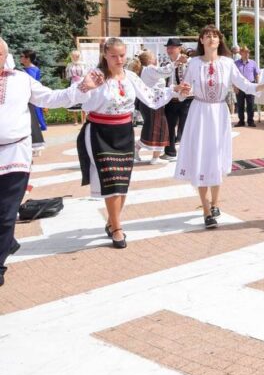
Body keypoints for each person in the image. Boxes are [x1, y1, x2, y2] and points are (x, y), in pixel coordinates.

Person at [0, 37, 98, 283]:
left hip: (15, 154)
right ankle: (8, 241)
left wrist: (82, 87)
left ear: (5, 56)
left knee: (6, 212)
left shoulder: (21, 80)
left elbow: (52, 98)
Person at [79, 38, 187, 247]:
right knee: (110, 179)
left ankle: (112, 221)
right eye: (114, 56)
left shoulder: (130, 76)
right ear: (105, 55)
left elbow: (151, 97)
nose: (119, 60)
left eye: (122, 55)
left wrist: (174, 90)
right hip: (101, 132)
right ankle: (117, 228)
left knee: (122, 180)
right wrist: (88, 87)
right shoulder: (97, 76)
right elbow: (86, 103)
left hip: (124, 132)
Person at [175, 26, 264, 227]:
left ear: (220, 41)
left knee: (216, 156)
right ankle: (205, 210)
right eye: (207, 36)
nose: (211, 39)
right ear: (201, 40)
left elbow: (245, 85)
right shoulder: (193, 63)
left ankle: (216, 202)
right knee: (201, 156)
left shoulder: (228, 63)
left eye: (215, 36)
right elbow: (183, 90)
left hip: (219, 113)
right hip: (199, 112)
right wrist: (182, 91)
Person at [136, 51, 171, 164]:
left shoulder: (144, 70)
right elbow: (165, 72)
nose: (156, 58)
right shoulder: (150, 69)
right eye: (153, 56)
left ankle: (136, 149)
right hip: (154, 102)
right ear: (149, 59)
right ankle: (155, 158)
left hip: (149, 102)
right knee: (160, 128)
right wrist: (176, 63)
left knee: (150, 127)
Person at [160, 38, 192, 161]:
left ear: (179, 48)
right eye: (168, 48)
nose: (169, 50)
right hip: (170, 99)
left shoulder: (188, 62)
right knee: (169, 126)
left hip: (186, 99)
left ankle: (186, 154)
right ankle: (170, 152)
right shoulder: (164, 64)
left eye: (172, 47)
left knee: (185, 127)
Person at [20, 50, 46, 151]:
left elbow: (34, 84)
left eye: (22, 56)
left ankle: (37, 143)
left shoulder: (34, 70)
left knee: (34, 118)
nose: (20, 58)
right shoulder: (21, 70)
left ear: (28, 58)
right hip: (25, 97)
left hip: (32, 98)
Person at [234, 45, 258, 127]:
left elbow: (256, 75)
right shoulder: (236, 64)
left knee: (250, 104)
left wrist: (257, 86)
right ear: (241, 53)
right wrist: (235, 87)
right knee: (240, 104)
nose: (247, 53)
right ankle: (241, 121)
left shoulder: (253, 63)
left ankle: (250, 121)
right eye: (245, 52)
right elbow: (233, 76)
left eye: (248, 52)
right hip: (239, 86)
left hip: (250, 86)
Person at [65, 49, 89, 124]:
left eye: (77, 56)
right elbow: (67, 75)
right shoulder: (69, 64)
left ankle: (84, 119)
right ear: (71, 56)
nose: (75, 57)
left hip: (82, 82)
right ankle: (75, 120)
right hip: (73, 83)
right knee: (73, 100)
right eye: (74, 56)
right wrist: (72, 76)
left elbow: (86, 73)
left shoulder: (84, 64)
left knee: (83, 100)